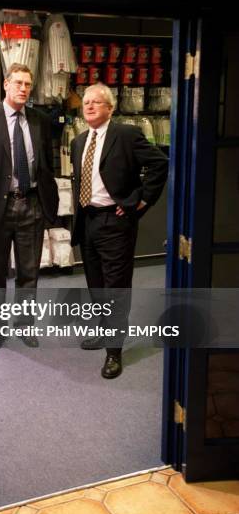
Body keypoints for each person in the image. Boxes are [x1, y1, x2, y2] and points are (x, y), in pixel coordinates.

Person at [71, 83, 168, 378]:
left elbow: (159, 164)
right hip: (87, 221)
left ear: (110, 108)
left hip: (116, 222)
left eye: (96, 102)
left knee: (116, 288)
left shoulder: (125, 134)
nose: (89, 106)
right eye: (86, 102)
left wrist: (140, 201)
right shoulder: (79, 141)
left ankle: (114, 352)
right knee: (97, 285)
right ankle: (104, 332)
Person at [0, 63, 59, 350]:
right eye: (18, 82)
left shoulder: (40, 119)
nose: (23, 88)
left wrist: (45, 201)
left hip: (31, 205)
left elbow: (46, 164)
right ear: (6, 84)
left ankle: (24, 325)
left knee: (29, 273)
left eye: (27, 84)